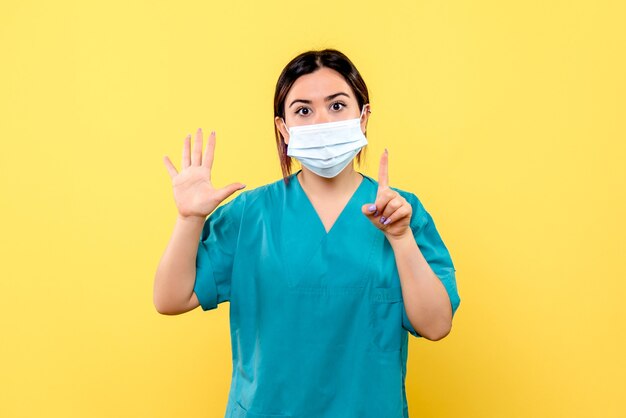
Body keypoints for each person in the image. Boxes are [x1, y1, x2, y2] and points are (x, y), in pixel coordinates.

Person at [153, 48, 461, 418]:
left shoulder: (401, 214)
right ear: (283, 128)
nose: (320, 122)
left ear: (363, 117)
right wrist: (189, 219)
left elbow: (436, 325)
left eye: (336, 106)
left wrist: (400, 238)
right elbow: (170, 299)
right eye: (303, 110)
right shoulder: (251, 216)